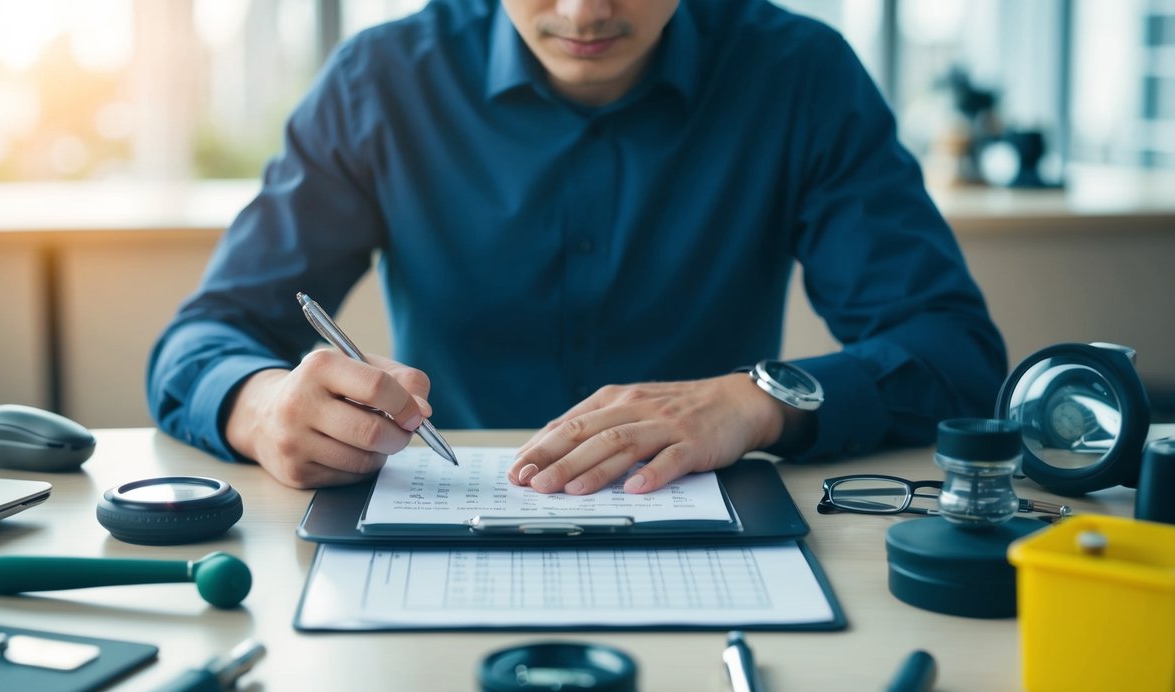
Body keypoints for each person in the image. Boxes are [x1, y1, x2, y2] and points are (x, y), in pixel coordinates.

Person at [148, 0, 1007, 496]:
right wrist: (263, 410)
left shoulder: (800, 75)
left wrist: (757, 404)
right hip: (448, 515)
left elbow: (953, 355)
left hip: (703, 528)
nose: (583, 11)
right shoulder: (382, 81)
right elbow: (201, 340)